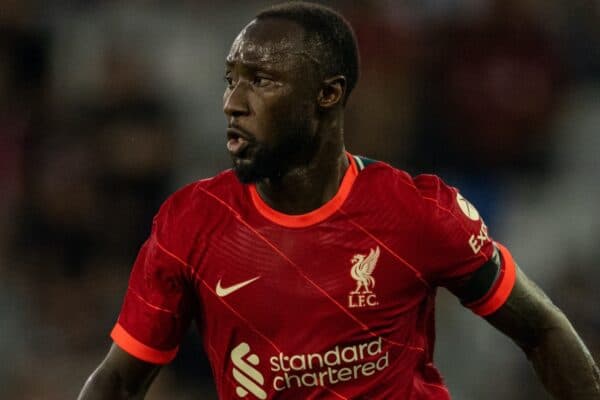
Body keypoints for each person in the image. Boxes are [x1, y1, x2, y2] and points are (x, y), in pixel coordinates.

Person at [78, 2, 600, 399]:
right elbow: (120, 380)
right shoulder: (189, 223)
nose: (233, 103)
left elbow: (542, 327)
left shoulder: (415, 212)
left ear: (327, 94)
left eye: (261, 81)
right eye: (231, 81)